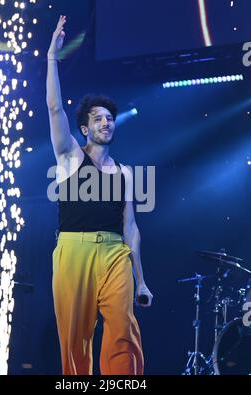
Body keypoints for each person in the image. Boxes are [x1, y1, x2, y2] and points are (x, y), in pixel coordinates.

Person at [46, 15, 153, 375]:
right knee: (75, 343)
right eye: (98, 118)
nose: (106, 122)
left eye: (110, 118)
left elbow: (132, 229)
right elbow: (54, 108)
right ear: (84, 128)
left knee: (124, 332)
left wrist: (141, 279)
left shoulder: (124, 173)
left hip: (113, 253)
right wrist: (51, 59)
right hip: (73, 251)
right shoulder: (70, 156)